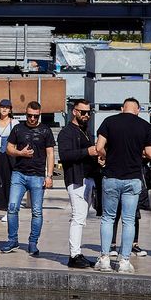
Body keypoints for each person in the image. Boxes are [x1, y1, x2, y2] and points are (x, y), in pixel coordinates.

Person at [93, 97, 151, 273]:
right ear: (137, 110)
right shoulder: (145, 126)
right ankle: (124, 261)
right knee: (129, 221)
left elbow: (99, 147)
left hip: (111, 176)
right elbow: (150, 153)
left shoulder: (109, 122)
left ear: (122, 108)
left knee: (108, 217)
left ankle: (104, 258)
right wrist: (138, 153)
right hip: (133, 177)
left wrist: (107, 155)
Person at [2, 101, 55, 257]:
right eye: (29, 115)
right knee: (12, 208)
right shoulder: (18, 128)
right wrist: (21, 153)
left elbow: (51, 153)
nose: (32, 119)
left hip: (38, 175)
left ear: (39, 115)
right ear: (25, 114)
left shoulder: (45, 130)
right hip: (19, 173)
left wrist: (49, 176)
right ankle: (12, 240)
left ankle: (33, 242)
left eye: (35, 116)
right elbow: (8, 148)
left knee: (37, 212)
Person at [57, 98, 100, 268]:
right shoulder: (66, 132)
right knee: (78, 217)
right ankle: (74, 255)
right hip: (75, 179)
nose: (86, 115)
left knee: (81, 218)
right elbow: (65, 156)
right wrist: (87, 151)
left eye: (88, 112)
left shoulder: (86, 131)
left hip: (87, 178)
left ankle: (77, 253)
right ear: (74, 111)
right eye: (83, 112)